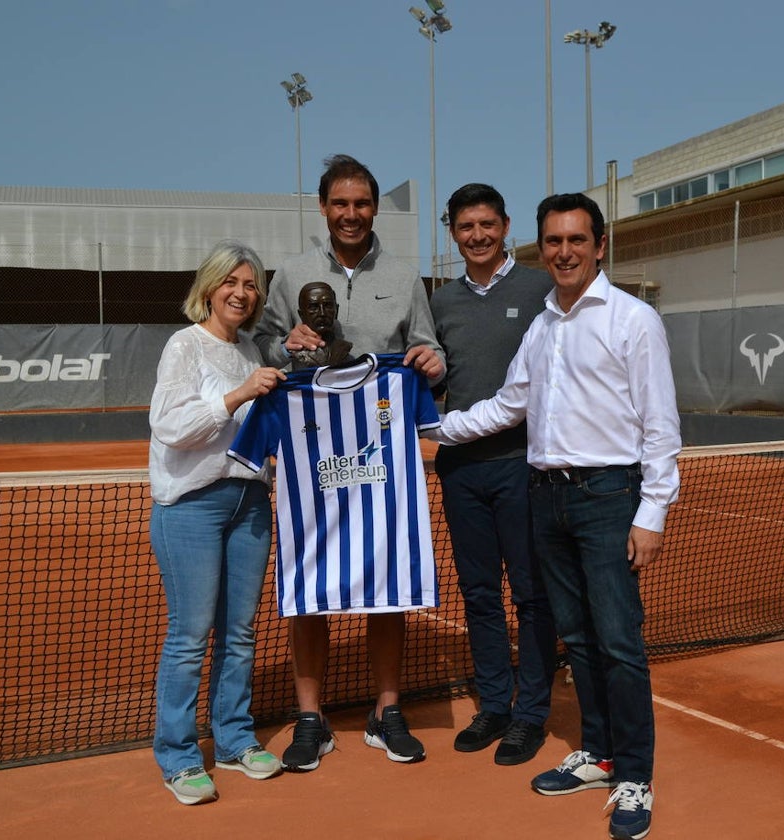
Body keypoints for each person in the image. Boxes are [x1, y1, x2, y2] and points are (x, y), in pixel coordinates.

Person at [429, 193, 681, 840]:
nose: (563, 252)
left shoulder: (634, 320)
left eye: (575, 240)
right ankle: (597, 753)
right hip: (547, 498)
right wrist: (434, 428)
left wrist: (651, 512)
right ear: (539, 248)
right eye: (553, 242)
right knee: (581, 638)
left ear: (599, 245)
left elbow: (660, 428)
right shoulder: (542, 327)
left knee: (620, 644)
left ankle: (634, 775)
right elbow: (509, 403)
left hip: (606, 500)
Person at [254, 153, 445, 770]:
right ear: (323, 208)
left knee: (386, 584)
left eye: (362, 204)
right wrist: (286, 344)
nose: (352, 215)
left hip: (382, 454)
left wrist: (431, 361)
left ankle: (386, 711)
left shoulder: (404, 275)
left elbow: (426, 344)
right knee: (310, 583)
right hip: (310, 453)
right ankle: (311, 717)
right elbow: (261, 343)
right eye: (341, 204)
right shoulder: (292, 275)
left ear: (374, 208)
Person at [147, 240, 288, 805]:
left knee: (240, 632)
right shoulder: (184, 345)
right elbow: (170, 426)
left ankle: (233, 740)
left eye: (251, 285)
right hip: (192, 506)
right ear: (208, 288)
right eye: (231, 281)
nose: (241, 292)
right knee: (189, 636)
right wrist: (238, 395)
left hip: (249, 503)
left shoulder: (252, 349)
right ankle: (179, 757)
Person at [429, 183, 557, 766]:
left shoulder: (540, 289)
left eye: (487, 224)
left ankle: (531, 714)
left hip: (524, 469)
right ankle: (495, 705)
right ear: (452, 232)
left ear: (505, 227)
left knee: (532, 595)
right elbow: (427, 381)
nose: (477, 236)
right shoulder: (441, 302)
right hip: (461, 473)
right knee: (479, 595)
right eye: (464, 227)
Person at [289, 281, 354, 369]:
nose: (322, 313)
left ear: (336, 310)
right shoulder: (298, 351)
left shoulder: (343, 348)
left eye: (328, 306)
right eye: (313, 307)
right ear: (301, 314)